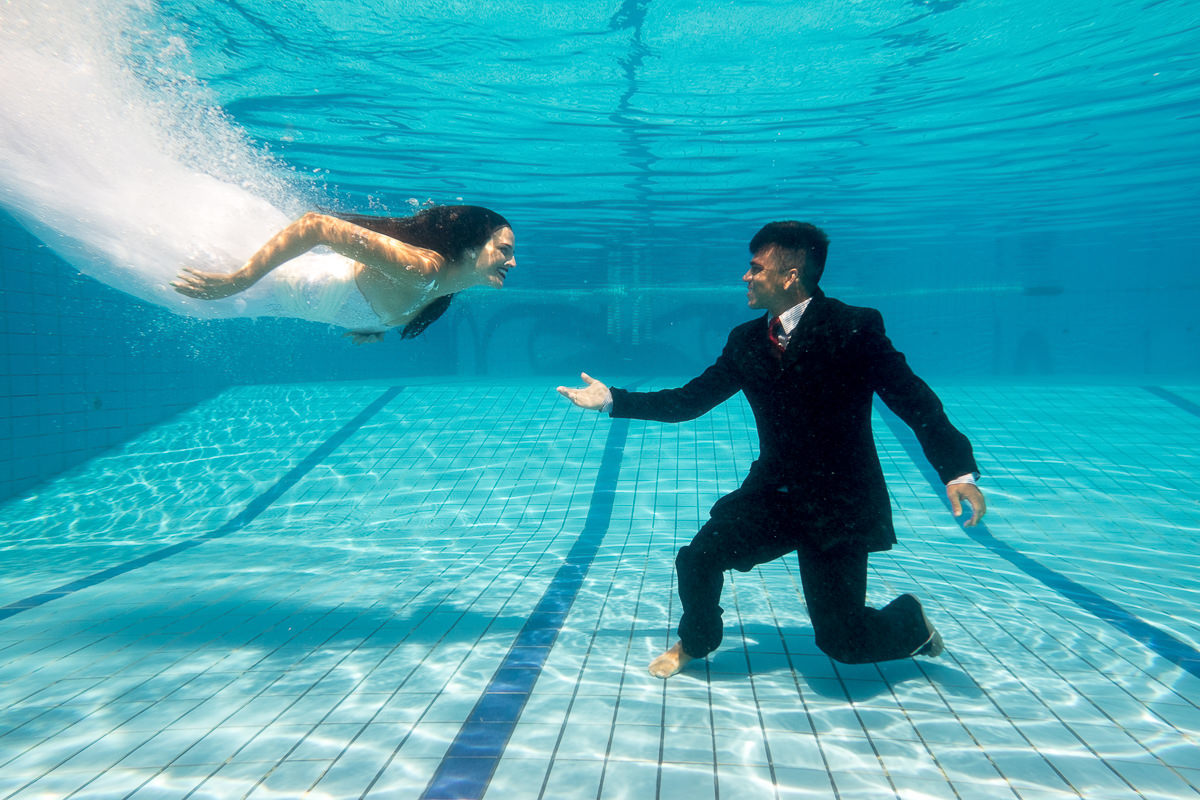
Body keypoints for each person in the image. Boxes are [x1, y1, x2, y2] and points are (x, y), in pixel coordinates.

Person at [557, 220, 985, 678]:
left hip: (839, 503)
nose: (746, 276)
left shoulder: (853, 328)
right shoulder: (746, 342)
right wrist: (613, 400)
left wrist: (957, 471)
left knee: (843, 641)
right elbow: (690, 400)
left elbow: (911, 397)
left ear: (790, 274)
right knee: (699, 558)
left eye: (755, 267)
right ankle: (696, 642)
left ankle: (908, 621)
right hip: (774, 495)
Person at [173, 205, 515, 343]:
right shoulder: (424, 269)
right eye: (504, 251)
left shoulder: (443, 287)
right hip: (238, 286)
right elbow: (315, 225)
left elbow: (383, 297)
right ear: (470, 249)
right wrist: (238, 280)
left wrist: (376, 326)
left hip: (246, 303)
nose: (512, 263)